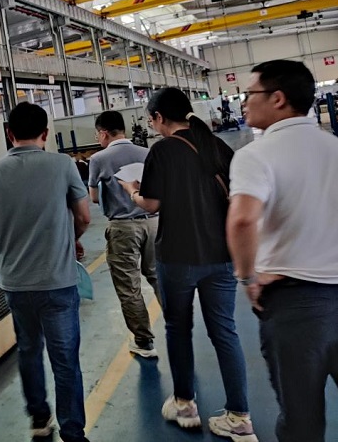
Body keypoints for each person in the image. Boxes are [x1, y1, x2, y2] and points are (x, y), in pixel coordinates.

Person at [120, 87, 257, 441]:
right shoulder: (217, 145)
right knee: (225, 331)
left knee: (178, 328)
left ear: (158, 118)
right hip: (221, 255)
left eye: (151, 119)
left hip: (178, 256)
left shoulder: (162, 150)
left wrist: (131, 191)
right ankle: (240, 417)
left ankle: (184, 404)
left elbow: (152, 204)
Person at [227, 60, 338, 442]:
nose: (244, 102)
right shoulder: (334, 146)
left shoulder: (256, 155)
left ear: (277, 98)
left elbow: (243, 220)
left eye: (249, 94)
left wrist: (247, 278)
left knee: (302, 421)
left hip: (297, 307)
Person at [0, 103, 91, 442]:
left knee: (28, 349)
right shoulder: (63, 164)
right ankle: (73, 432)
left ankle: (40, 418)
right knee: (65, 359)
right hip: (58, 280)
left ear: (8, 133)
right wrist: (71, 239)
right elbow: (84, 216)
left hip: (16, 282)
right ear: (46, 133)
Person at [88, 110, 160, 359]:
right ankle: (178, 327)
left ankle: (144, 341)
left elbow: (94, 197)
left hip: (123, 227)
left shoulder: (99, 158)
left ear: (103, 133)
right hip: (154, 223)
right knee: (158, 277)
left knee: (129, 286)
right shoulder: (146, 152)